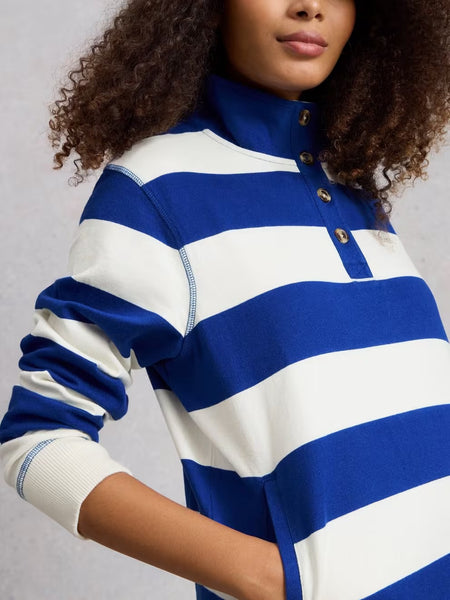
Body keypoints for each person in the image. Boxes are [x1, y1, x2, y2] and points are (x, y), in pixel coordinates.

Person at [1, 0, 449, 599]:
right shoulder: (154, 192)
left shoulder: (350, 187)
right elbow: (37, 436)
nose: (309, 6)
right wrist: (266, 578)